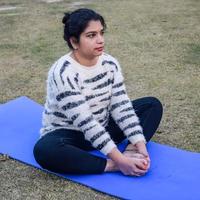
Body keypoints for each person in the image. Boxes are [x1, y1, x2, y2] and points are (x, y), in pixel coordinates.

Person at [33, 8, 163, 176]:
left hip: (103, 125)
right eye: (91, 35)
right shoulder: (62, 72)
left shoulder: (110, 63)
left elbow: (121, 106)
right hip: (70, 135)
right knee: (44, 150)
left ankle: (131, 153)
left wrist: (139, 144)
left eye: (101, 33)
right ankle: (109, 165)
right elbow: (85, 123)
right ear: (74, 42)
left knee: (152, 105)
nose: (100, 40)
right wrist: (119, 162)